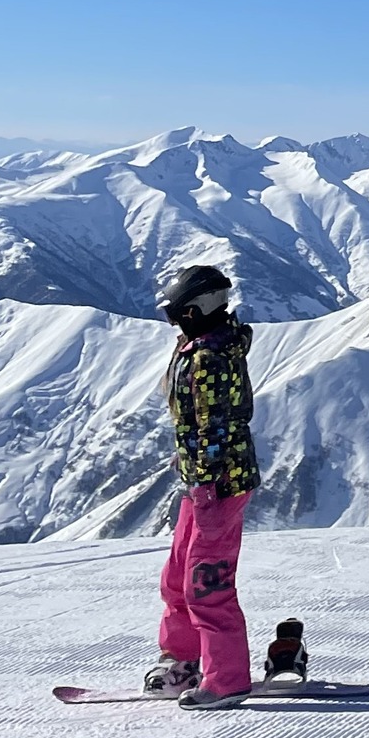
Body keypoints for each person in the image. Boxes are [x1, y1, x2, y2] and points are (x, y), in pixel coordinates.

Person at [146, 265, 264, 710]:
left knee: (205, 582)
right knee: (178, 574)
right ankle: (182, 659)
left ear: (194, 310)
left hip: (217, 484)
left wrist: (207, 477)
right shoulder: (203, 347)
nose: (175, 323)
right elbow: (199, 423)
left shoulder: (208, 358)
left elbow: (214, 424)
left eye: (178, 315)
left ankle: (226, 677)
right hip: (200, 480)